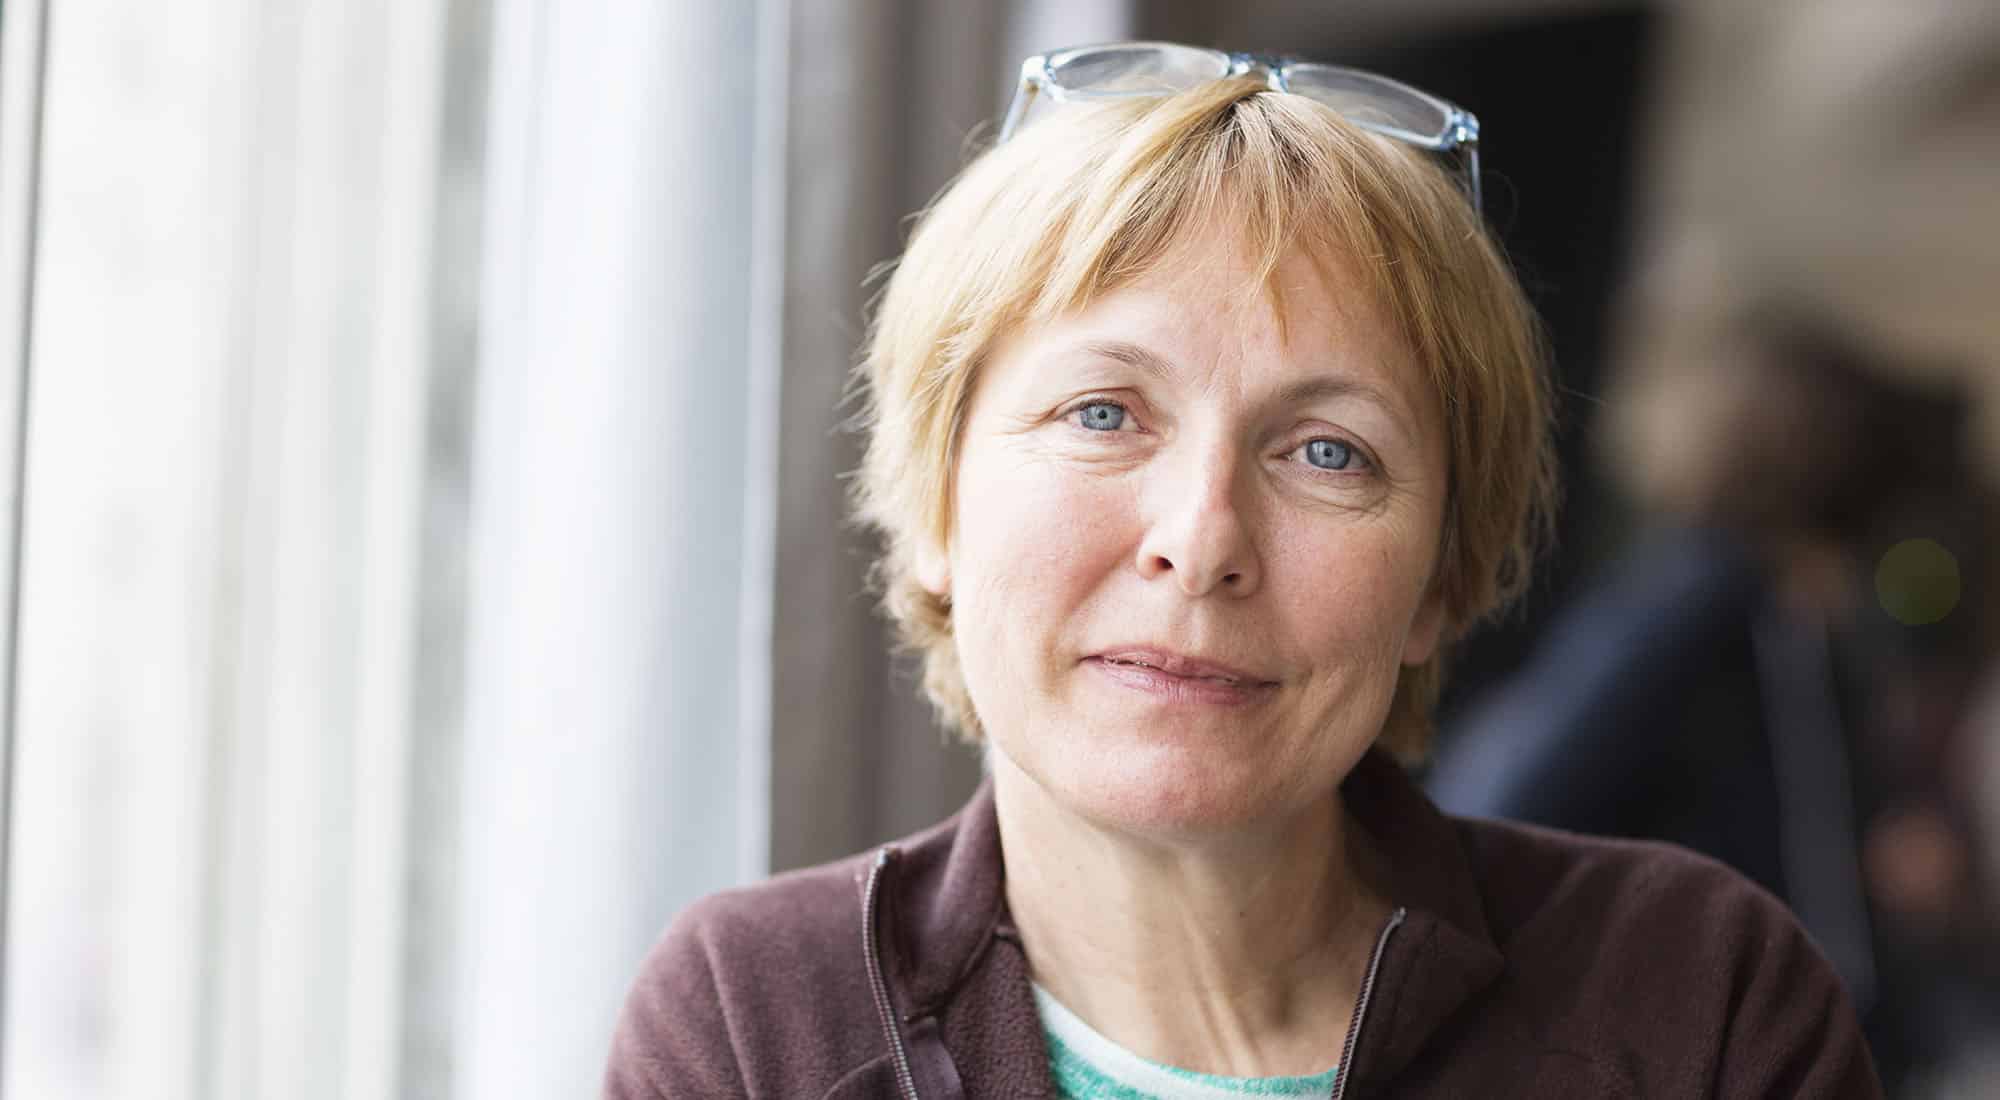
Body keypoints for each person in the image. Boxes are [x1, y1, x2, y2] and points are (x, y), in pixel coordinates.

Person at [602, 43, 1882, 1098]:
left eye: (1328, 450)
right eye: (1103, 413)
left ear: (1441, 578)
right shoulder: (753, 1027)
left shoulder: (1694, 1000)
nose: (1203, 536)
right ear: (936, 498)